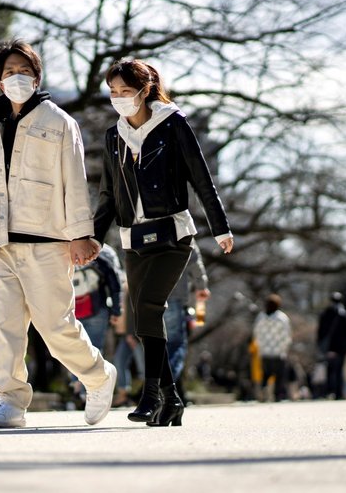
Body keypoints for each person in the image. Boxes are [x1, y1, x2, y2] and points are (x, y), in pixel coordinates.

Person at [0, 39, 116, 429]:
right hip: (1, 246)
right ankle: (11, 403)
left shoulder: (59, 122)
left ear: (36, 77)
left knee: (55, 327)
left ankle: (99, 376)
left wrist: (81, 235)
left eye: (23, 70)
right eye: (8, 73)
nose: (16, 77)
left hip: (48, 244)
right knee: (5, 329)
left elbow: (74, 178)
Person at [92, 58, 233, 427]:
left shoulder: (172, 124)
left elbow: (202, 179)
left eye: (126, 91)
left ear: (145, 90)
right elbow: (107, 196)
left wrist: (221, 228)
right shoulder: (113, 136)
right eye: (113, 92)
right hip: (133, 238)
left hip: (173, 232)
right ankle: (171, 400)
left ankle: (150, 394)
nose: (119, 98)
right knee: (143, 315)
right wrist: (91, 239)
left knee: (149, 306)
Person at [69, 242, 123, 406]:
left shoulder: (64, 247)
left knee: (72, 349)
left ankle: (77, 386)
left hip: (71, 309)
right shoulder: (103, 251)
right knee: (95, 347)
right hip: (96, 307)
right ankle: (91, 388)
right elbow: (115, 280)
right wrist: (116, 308)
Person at [166, 240, 210, 391]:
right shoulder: (181, 226)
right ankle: (165, 385)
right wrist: (201, 287)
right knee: (175, 344)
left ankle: (155, 388)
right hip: (174, 294)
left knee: (155, 345)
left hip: (146, 296)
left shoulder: (141, 221)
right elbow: (194, 260)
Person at [253, 293, 291, 402]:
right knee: (279, 375)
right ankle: (277, 395)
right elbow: (286, 335)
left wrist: (260, 346)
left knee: (266, 374)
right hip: (278, 352)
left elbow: (256, 333)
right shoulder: (282, 318)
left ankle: (263, 391)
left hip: (265, 351)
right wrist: (285, 347)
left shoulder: (261, 317)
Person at [316, 292, 346, 400]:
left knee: (329, 370)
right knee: (339, 370)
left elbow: (320, 332)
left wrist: (321, 346)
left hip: (328, 347)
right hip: (341, 348)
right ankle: (338, 393)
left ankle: (329, 392)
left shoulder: (325, 314)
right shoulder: (345, 315)